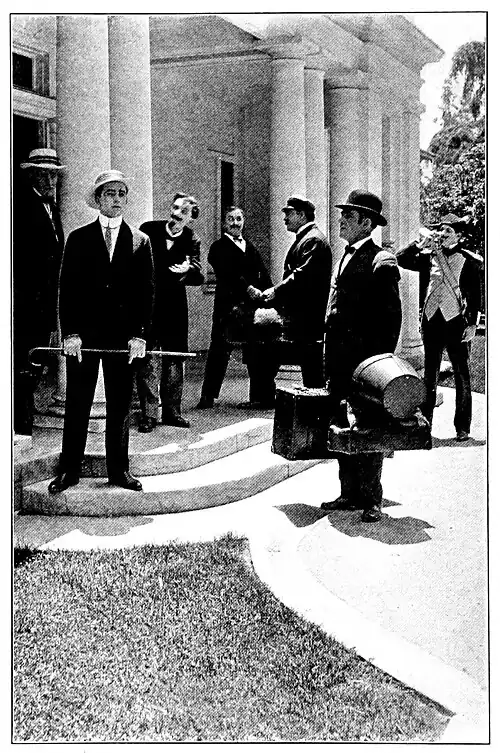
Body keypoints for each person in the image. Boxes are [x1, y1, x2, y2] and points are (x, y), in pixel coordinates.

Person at [48, 170, 154, 494]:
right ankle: (69, 470)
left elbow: (146, 293)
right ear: (97, 200)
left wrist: (139, 335)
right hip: (84, 338)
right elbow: (68, 289)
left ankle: (119, 470)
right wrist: (70, 333)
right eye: (109, 193)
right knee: (78, 403)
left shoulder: (140, 241)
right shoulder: (79, 238)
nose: (116, 199)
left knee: (120, 405)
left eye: (121, 193)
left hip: (123, 340)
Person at [321, 190, 402, 522]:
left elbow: (391, 319)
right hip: (339, 361)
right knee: (341, 425)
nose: (341, 220)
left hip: (366, 365)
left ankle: (372, 499)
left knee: (369, 427)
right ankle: (349, 493)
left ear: (366, 223)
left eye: (348, 216)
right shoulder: (345, 255)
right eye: (342, 214)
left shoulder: (381, 260)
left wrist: (378, 365)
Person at [397, 213, 482, 441]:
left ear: (459, 236)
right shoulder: (427, 257)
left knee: (461, 375)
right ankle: (425, 426)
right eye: (441, 229)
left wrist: (472, 324)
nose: (442, 234)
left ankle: (462, 428)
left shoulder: (469, 261)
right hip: (431, 321)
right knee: (430, 375)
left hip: (456, 323)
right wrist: (419, 244)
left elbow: (475, 297)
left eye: (448, 231)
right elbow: (400, 259)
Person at [197, 206, 277, 410]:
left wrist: (269, 293)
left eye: (239, 219)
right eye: (231, 219)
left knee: (255, 347)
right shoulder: (218, 248)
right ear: (224, 223)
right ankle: (207, 396)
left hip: (250, 308)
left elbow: (263, 273)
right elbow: (227, 273)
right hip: (227, 307)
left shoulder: (250, 246)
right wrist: (248, 288)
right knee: (219, 350)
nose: (235, 223)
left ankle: (259, 396)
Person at [136, 193, 203, 432]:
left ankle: (172, 412)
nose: (176, 214)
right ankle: (149, 414)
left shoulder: (191, 238)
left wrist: (189, 268)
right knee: (148, 358)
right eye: (175, 208)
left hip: (175, 307)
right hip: (150, 304)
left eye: (183, 211)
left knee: (175, 358)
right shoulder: (149, 229)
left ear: (191, 217)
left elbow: (198, 273)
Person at [13, 148, 66, 435]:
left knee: (38, 357)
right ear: (32, 175)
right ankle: (20, 420)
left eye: (54, 176)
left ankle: (26, 411)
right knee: (24, 359)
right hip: (25, 301)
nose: (50, 181)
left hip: (45, 300)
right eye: (44, 175)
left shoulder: (52, 209)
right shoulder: (20, 206)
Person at [261, 196, 332, 388]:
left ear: (301, 215)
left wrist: (275, 291)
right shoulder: (308, 238)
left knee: (311, 370)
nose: (285, 218)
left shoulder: (313, 240)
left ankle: (314, 405)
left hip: (306, 319)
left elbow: (302, 276)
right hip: (303, 318)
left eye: (289, 213)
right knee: (309, 368)